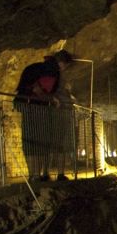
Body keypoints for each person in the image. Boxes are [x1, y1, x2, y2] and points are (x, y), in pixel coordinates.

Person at [14, 50, 74, 181]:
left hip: (25, 104)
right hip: (34, 107)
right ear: (62, 63)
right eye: (65, 66)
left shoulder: (36, 67)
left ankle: (34, 175)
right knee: (37, 142)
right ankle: (35, 175)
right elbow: (39, 90)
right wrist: (52, 99)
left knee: (32, 142)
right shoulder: (52, 70)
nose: (64, 69)